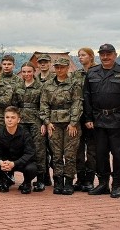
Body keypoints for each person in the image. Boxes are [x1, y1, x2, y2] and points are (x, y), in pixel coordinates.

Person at [84, 43, 120, 198]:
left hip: (119, 121)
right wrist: (88, 117)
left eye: (109, 54)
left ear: (115, 55)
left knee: (119, 154)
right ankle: (103, 183)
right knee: (100, 154)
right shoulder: (92, 73)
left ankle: (116, 184)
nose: (105, 57)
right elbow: (87, 97)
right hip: (99, 120)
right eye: (102, 54)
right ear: (99, 56)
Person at [40, 57, 82, 195]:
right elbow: (44, 104)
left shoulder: (74, 83)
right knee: (56, 154)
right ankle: (58, 181)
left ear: (67, 67)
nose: (59, 70)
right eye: (57, 67)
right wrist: (47, 122)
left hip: (70, 123)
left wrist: (73, 123)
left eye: (62, 67)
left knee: (70, 154)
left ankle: (69, 181)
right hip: (54, 123)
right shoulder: (47, 84)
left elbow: (77, 103)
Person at [0, 106, 37, 194]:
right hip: (4, 163)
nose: (9, 120)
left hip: (19, 162)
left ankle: (26, 183)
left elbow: (30, 153)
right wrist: (0, 162)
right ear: (4, 119)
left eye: (13, 117)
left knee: (32, 168)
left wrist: (14, 163)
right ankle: (4, 179)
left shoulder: (25, 134)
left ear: (18, 120)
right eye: (7, 117)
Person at [15, 62, 47, 192]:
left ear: (34, 72)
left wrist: (45, 123)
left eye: (29, 72)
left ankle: (40, 180)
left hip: (36, 122)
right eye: (24, 72)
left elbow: (44, 105)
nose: (27, 74)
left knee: (39, 150)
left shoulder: (41, 86)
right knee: (22, 150)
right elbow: (14, 105)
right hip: (21, 122)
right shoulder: (17, 86)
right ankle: (26, 180)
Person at [72, 47, 97, 192]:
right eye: (79, 55)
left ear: (91, 56)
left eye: (83, 55)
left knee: (92, 150)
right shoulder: (76, 74)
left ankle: (89, 179)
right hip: (78, 116)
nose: (80, 58)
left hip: (93, 116)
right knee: (78, 149)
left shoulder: (98, 72)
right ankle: (80, 178)